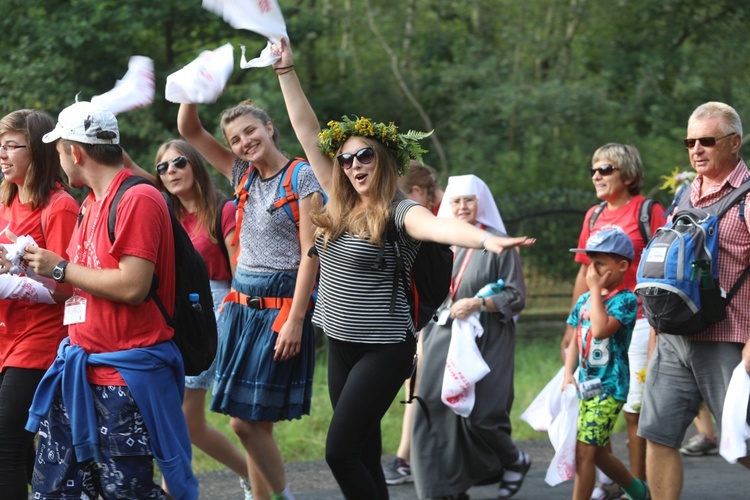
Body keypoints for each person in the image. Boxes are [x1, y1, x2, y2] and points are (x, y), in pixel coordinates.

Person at [272, 39, 535, 500]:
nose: (355, 165)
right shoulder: (338, 202)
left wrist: (487, 238)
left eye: (366, 155)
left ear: (385, 160)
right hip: (341, 341)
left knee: (338, 452)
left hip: (384, 347)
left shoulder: (397, 211)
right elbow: (307, 130)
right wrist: (286, 70)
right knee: (362, 449)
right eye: (347, 158)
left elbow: (436, 227)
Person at [22, 101, 198, 499]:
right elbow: (78, 283)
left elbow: (132, 286)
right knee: (54, 491)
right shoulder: (89, 203)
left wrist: (60, 267)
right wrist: (30, 265)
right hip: (79, 371)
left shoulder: (138, 199)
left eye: (59, 150)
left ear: (76, 152)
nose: (59, 160)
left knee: (127, 493)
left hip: (123, 379)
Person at [177, 96, 323, 500]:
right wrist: (194, 89)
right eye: (235, 139)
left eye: (250, 131)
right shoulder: (242, 175)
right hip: (240, 309)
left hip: (281, 308)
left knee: (244, 424)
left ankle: (283, 496)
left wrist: (296, 318)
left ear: (270, 128)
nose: (244, 142)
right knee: (255, 426)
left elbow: (312, 250)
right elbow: (189, 131)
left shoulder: (302, 177)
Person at [638, 101, 750, 500]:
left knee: (743, 444)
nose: (696, 149)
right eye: (690, 141)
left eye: (707, 140)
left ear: (734, 143)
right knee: (658, 434)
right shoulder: (685, 194)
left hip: (729, 339)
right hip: (674, 337)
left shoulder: (748, 197)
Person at [410, 174, 529, 500]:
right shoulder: (438, 241)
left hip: (486, 337)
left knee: (482, 413)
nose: (462, 207)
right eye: (456, 201)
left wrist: (480, 302)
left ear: (481, 202)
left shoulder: (498, 243)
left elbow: (516, 296)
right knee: (432, 411)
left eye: (469, 200)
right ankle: (443, 490)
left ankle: (512, 460)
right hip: (441, 335)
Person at [560, 143, 666, 498]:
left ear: (628, 174)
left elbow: (666, 263)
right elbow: (583, 276)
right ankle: (627, 485)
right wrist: (571, 327)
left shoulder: (647, 210)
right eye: (594, 169)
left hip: (635, 319)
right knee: (593, 432)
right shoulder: (592, 216)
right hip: (592, 320)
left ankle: (639, 483)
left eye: (605, 168)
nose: (596, 175)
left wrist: (659, 328)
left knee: (634, 410)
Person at [154, 139, 254, 499]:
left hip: (218, 311)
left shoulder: (222, 210)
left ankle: (173, 493)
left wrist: (232, 308)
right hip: (178, 317)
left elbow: (240, 268)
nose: (171, 172)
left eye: (178, 162)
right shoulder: (165, 215)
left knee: (179, 417)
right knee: (190, 424)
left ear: (195, 163)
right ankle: (251, 474)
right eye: (162, 167)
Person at [0, 109, 78, 500]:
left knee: (6, 443)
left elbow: (69, 287)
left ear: (39, 153)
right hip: (7, 335)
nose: (3, 154)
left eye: (13, 145)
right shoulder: (7, 199)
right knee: (23, 450)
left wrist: (11, 284)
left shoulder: (59, 205)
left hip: (41, 339)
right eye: (1, 146)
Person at [563, 228, 650, 500]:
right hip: (587, 385)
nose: (593, 270)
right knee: (596, 451)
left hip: (610, 386)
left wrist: (595, 291)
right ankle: (639, 491)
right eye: (591, 262)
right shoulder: (584, 300)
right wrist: (568, 372)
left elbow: (600, 330)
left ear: (622, 265)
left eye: (600, 263)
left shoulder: (625, 300)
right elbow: (577, 338)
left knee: (585, 451)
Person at [382, 160, 443, 486]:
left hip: (442, 318)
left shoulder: (438, 219)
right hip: (424, 317)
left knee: (418, 384)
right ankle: (406, 457)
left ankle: (407, 458)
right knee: (414, 383)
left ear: (417, 193)